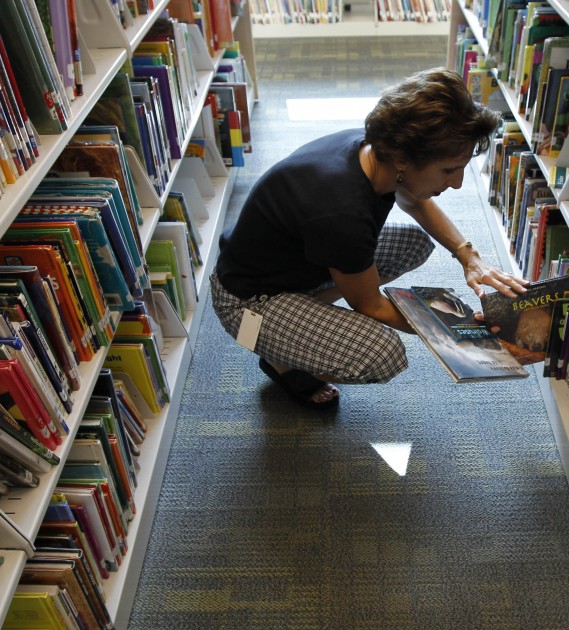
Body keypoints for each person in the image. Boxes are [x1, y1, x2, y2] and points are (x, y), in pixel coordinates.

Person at [210, 67, 528, 409]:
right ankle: (277, 350)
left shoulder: (373, 151)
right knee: (381, 354)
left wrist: (469, 257)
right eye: (449, 169)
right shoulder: (342, 211)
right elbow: (370, 305)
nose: (457, 183)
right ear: (404, 159)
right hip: (247, 303)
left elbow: (415, 202)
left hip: (290, 264)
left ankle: (300, 324)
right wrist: (466, 336)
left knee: (414, 244)